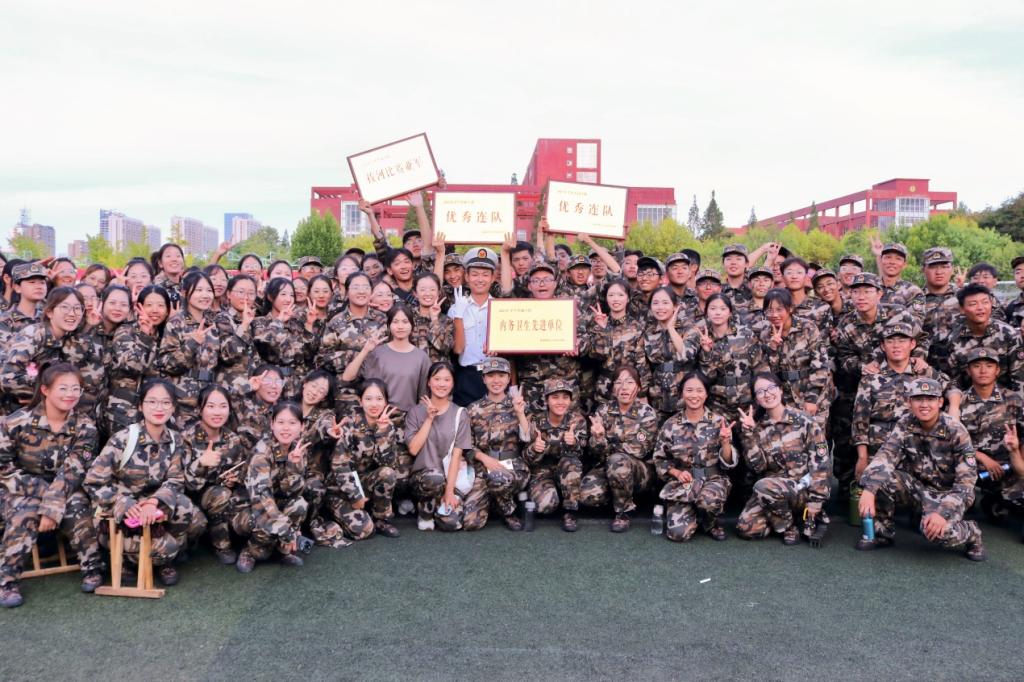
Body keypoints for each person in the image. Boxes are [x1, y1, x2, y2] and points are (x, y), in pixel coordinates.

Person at [84, 379, 207, 587]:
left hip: (153, 510)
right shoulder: (123, 439)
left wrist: (154, 502)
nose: (159, 408)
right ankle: (129, 560)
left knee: (196, 520)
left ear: (173, 408)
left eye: (166, 403)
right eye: (152, 402)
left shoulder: (175, 440)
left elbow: (175, 480)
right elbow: (93, 482)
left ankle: (163, 561)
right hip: (122, 513)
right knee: (165, 548)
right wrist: (123, 502)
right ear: (141, 406)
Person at [0, 364, 101, 608]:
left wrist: (53, 503)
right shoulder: (15, 423)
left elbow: (74, 471)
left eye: (75, 389)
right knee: (25, 509)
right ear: (45, 390)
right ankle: (7, 582)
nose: (70, 394)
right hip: (19, 487)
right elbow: (5, 470)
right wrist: (47, 501)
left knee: (77, 504)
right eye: (63, 388)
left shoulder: (85, 427)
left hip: (64, 486)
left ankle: (93, 568)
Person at [857, 378, 986, 561]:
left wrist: (942, 513)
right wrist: (869, 489)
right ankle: (881, 532)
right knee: (879, 479)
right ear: (909, 402)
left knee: (937, 533)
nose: (924, 405)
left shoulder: (956, 431)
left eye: (930, 399)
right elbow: (886, 455)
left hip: (948, 494)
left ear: (940, 402)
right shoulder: (905, 423)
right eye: (918, 399)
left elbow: (965, 485)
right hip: (918, 488)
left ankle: (972, 532)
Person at [852, 321, 958, 478]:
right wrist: (862, 457)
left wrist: (954, 407)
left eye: (902, 341)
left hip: (919, 447)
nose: (896, 346)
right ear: (883, 346)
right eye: (890, 341)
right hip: (881, 447)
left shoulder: (924, 372)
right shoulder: (871, 377)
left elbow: (952, 388)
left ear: (912, 344)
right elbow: (860, 420)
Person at [736, 373, 831, 544]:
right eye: (760, 392)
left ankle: (790, 525)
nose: (767, 394)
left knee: (764, 487)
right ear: (756, 399)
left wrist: (816, 501)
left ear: (780, 390)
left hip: (802, 491)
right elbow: (758, 467)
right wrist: (749, 435)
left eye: (771, 388)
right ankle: (787, 521)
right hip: (772, 492)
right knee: (747, 528)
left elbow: (820, 464)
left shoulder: (804, 421)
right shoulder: (758, 427)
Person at [653, 372, 735, 542]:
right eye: (689, 390)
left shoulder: (719, 422)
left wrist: (725, 442)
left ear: (706, 394)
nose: (694, 395)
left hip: (713, 480)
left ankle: (710, 522)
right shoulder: (671, 424)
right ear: (682, 393)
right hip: (685, 483)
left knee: (708, 502)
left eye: (699, 390)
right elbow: (660, 459)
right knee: (678, 534)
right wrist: (677, 473)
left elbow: (728, 463)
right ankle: (693, 515)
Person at [0, 287, 105, 419]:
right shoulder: (33, 335)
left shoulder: (70, 335)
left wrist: (89, 325)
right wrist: (47, 393)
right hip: (14, 412)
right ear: (49, 312)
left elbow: (79, 364)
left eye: (77, 308)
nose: (72, 313)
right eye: (65, 307)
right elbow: (8, 379)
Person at [580, 365, 659, 532]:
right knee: (586, 495)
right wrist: (598, 439)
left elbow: (638, 450)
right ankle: (619, 493)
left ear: (638, 388)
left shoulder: (647, 413)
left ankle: (623, 512)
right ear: (613, 389)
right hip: (608, 466)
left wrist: (608, 445)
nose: (624, 387)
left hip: (639, 471)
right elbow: (594, 452)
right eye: (618, 383)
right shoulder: (603, 410)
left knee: (617, 461)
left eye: (629, 382)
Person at [235, 402, 310, 573]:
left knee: (299, 505)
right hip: (248, 508)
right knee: (264, 528)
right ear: (272, 424)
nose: (286, 428)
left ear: (301, 426)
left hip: (274, 502)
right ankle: (250, 551)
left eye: (292, 423)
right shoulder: (262, 453)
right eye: (281, 422)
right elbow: (262, 499)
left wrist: (292, 466)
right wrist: (287, 529)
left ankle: (282, 551)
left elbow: (294, 492)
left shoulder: (297, 448)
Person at [324, 379, 400, 540]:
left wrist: (382, 433)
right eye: (368, 398)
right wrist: (355, 495)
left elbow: (388, 464)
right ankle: (332, 515)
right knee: (364, 531)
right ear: (360, 401)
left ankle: (381, 519)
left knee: (387, 473)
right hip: (340, 489)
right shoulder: (350, 424)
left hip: (364, 483)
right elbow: (339, 465)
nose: (374, 404)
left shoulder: (388, 426)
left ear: (386, 402)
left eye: (379, 399)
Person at [181, 386, 247, 566]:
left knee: (228, 495)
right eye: (211, 406)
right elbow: (182, 482)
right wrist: (201, 464)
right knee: (216, 499)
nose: (217, 412)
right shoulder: (186, 438)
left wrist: (234, 479)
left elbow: (238, 468)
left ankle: (224, 543)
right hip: (188, 496)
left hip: (216, 496)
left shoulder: (232, 439)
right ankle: (197, 543)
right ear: (200, 409)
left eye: (223, 406)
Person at [957, 348, 1024, 524]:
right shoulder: (959, 402)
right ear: (968, 371)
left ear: (997, 370)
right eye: (976, 366)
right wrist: (981, 457)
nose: (983, 370)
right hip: (972, 468)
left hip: (1008, 467)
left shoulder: (1014, 400)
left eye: (989, 365)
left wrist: (1017, 457)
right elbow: (951, 443)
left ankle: (996, 500)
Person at [405, 362, 473, 531]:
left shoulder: (460, 414)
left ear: (453, 383)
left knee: (452, 523)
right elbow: (413, 449)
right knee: (434, 478)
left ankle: (438, 508)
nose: (441, 384)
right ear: (429, 382)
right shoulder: (415, 412)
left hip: (449, 479)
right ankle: (425, 511)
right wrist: (429, 418)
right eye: (437, 379)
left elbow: (457, 455)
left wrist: (449, 492)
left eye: (447, 380)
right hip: (424, 478)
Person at [465, 358, 531, 531]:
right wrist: (484, 458)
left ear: (508, 378)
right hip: (483, 467)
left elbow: (527, 439)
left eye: (501, 375)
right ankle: (495, 502)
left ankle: (509, 511)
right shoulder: (473, 409)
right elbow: (466, 445)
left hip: (513, 467)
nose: (496, 380)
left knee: (498, 478)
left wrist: (520, 413)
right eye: (491, 375)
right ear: (483, 379)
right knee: (471, 523)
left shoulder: (518, 404)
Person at [757, 288, 832, 427]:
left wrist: (812, 398)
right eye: (769, 310)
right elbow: (768, 373)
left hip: (813, 393)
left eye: (779, 309)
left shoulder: (807, 327)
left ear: (790, 308)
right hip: (785, 398)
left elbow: (820, 364)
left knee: (815, 435)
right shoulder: (765, 334)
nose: (774, 315)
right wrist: (772, 349)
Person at [154, 271, 221, 424]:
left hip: (208, 400)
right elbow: (168, 364)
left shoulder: (214, 323)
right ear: (185, 293)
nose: (205, 295)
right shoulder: (176, 323)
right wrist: (192, 344)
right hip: (182, 401)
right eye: (199, 290)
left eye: (209, 290)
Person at [316, 272, 386, 415]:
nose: (361, 291)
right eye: (356, 287)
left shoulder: (381, 319)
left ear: (371, 291)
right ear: (347, 292)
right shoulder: (336, 322)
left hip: (376, 391)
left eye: (365, 287)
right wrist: (354, 356)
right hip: (346, 392)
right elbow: (322, 358)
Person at [524, 378, 588, 532]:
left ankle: (570, 511)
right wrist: (534, 449)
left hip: (567, 470)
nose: (560, 402)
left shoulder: (577, 420)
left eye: (565, 397)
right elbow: (526, 458)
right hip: (541, 472)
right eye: (555, 397)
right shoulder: (535, 421)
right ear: (546, 400)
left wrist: (574, 443)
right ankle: (555, 497)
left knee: (572, 463)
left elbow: (583, 453)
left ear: (571, 400)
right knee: (545, 506)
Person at [105, 285, 168, 435]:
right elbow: (131, 365)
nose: (155, 310)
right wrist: (144, 337)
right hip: (125, 410)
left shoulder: (167, 334)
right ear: (138, 307)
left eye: (160, 305)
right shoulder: (126, 331)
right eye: (149, 305)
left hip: (156, 410)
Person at [251, 277, 318, 399]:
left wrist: (309, 324)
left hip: (298, 384)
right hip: (273, 385)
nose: (288, 299)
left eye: (291, 295)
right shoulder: (259, 322)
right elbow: (265, 346)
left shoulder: (297, 323)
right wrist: (279, 322)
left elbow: (308, 354)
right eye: (283, 294)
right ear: (270, 297)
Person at [588, 279, 652, 405]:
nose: (615, 299)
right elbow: (596, 355)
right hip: (605, 388)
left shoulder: (636, 328)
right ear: (606, 298)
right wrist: (603, 330)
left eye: (620, 295)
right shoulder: (598, 326)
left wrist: (643, 392)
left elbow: (641, 364)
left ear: (628, 299)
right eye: (611, 295)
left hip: (629, 388)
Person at [449, 252, 498, 406]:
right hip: (467, 376)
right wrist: (459, 315)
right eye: (475, 274)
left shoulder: (502, 309)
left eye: (485, 275)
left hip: (496, 374)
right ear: (467, 277)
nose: (480, 279)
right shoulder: (456, 308)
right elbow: (458, 349)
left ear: (493, 277)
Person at [643, 286, 688, 422]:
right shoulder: (648, 332)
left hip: (685, 399)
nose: (660, 307)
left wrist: (671, 328)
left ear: (675, 306)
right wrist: (643, 395)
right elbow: (643, 367)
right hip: (658, 399)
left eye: (665, 302)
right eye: (655, 303)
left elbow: (686, 353)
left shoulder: (688, 328)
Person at [214, 275, 257, 396]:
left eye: (251, 293)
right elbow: (228, 355)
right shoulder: (222, 319)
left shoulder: (256, 320)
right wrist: (244, 325)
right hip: (230, 389)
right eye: (241, 292)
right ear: (228, 294)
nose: (246, 297)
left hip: (254, 388)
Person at [0, 261, 48, 347]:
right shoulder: (5, 321)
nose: (39, 286)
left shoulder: (48, 318)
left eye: (42, 282)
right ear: (17, 287)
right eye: (32, 282)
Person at [410, 273, 454, 363]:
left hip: (438, 370)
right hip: (413, 369)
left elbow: (444, 348)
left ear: (439, 293)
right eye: (422, 290)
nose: (428, 293)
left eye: (432, 289)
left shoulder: (446, 320)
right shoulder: (407, 318)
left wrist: (434, 319)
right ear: (415, 293)